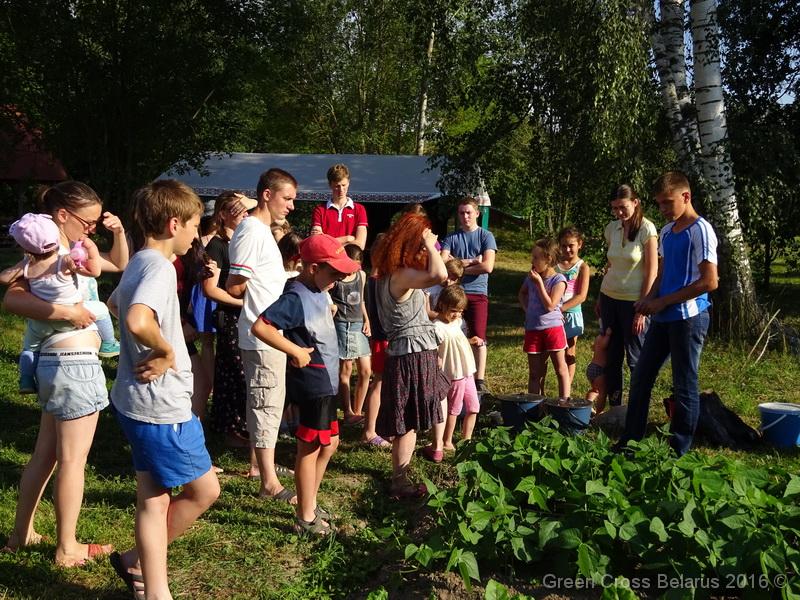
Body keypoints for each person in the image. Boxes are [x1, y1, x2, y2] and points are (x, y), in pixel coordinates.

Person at [107, 179, 220, 600]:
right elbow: (136, 318)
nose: (196, 234)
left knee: (153, 500)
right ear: (174, 224)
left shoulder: (140, 260)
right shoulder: (158, 267)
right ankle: (146, 572)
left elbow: (115, 304)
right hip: (160, 407)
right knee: (204, 490)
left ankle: (145, 576)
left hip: (135, 400)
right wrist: (166, 349)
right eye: (194, 225)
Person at [1, 182, 114, 567]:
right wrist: (71, 313)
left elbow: (115, 264)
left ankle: (21, 534)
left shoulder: (45, 254)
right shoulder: (56, 253)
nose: (91, 228)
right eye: (88, 221)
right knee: (72, 461)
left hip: (56, 365)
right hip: (74, 365)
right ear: (63, 215)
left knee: (45, 455)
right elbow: (12, 297)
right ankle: (67, 548)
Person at [252, 234, 360, 536]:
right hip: (314, 382)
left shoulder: (317, 288)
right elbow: (261, 326)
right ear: (313, 268)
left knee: (330, 443)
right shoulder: (295, 298)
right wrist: (295, 351)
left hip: (326, 382)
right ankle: (305, 516)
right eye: (334, 273)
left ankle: (309, 500)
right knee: (310, 448)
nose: (338, 280)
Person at [616, 171, 718, 456]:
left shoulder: (700, 229)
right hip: (662, 318)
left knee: (684, 383)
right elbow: (662, 273)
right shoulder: (666, 231)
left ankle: (678, 450)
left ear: (686, 196)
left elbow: (710, 281)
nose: (662, 209)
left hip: (689, 318)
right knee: (641, 377)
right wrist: (648, 299)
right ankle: (629, 442)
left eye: (667, 202)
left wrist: (663, 302)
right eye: (659, 203)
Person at [226, 168, 297, 501]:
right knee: (265, 404)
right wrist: (260, 300)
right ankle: (268, 483)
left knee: (267, 401)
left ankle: (261, 466)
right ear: (267, 195)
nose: (292, 206)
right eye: (288, 198)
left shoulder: (260, 230)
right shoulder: (252, 231)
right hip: (261, 334)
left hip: (268, 331)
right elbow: (235, 284)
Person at [372, 212, 449, 498]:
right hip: (412, 354)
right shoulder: (401, 275)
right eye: (421, 242)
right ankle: (399, 481)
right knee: (408, 421)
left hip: (407, 352)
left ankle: (400, 476)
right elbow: (440, 274)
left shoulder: (391, 273)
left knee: (408, 419)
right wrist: (429, 244)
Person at [2, 213, 103, 393]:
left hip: (41, 322)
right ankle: (110, 343)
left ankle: (26, 380)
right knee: (102, 309)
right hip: (73, 315)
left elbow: (4, 278)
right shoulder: (64, 261)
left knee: (30, 349)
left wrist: (16, 269)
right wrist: (91, 249)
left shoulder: (27, 266)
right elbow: (94, 271)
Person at [597, 184, 658, 406]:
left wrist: (643, 307)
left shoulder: (647, 229)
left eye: (623, 207)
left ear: (635, 202)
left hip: (633, 302)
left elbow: (652, 270)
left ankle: (637, 407)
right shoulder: (611, 228)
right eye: (615, 208)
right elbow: (611, 264)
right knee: (611, 356)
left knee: (636, 358)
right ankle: (615, 406)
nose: (619, 212)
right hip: (609, 297)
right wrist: (600, 297)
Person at [203, 192, 255, 448]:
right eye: (237, 209)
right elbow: (210, 289)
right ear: (223, 214)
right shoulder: (217, 245)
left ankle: (242, 426)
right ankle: (230, 429)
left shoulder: (244, 240)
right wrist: (243, 304)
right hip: (231, 316)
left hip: (247, 315)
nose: (244, 212)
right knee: (233, 373)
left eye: (245, 209)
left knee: (245, 371)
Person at [441, 197, 496, 394]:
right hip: (455, 293)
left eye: (469, 213)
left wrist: (458, 266)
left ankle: (479, 380)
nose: (465, 216)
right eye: (462, 213)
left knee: (478, 337)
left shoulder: (486, 236)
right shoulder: (451, 237)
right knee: (453, 334)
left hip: (478, 293)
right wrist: (472, 261)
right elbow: (443, 263)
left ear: (477, 214)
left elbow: (488, 266)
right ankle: (455, 374)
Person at [518, 238, 570, 400]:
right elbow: (522, 293)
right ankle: (534, 406)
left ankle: (564, 404)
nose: (532, 261)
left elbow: (550, 306)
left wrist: (540, 284)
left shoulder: (558, 280)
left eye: (536, 257)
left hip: (552, 329)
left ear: (548, 259)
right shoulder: (531, 277)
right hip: (533, 329)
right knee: (534, 373)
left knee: (560, 369)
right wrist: (528, 310)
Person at [433, 285, 482, 452]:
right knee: (454, 409)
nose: (457, 315)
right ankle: (447, 441)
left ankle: (466, 440)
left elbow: (457, 341)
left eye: (460, 311)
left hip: (467, 371)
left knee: (474, 407)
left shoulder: (457, 322)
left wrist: (470, 341)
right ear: (442, 305)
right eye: (454, 310)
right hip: (454, 373)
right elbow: (434, 349)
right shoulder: (437, 327)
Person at [330, 244, 372, 424]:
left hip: (358, 324)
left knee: (366, 370)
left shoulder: (361, 275)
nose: (354, 268)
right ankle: (347, 412)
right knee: (346, 368)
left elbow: (361, 301)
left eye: (357, 264)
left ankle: (358, 410)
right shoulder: (336, 278)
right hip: (342, 325)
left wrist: (367, 320)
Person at [361, 234, 391, 449]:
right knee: (379, 382)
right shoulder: (379, 279)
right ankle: (370, 431)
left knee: (383, 382)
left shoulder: (374, 277)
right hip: (384, 337)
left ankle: (379, 426)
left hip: (382, 336)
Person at [555, 226, 590, 383]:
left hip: (571, 314)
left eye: (571, 245)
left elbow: (581, 296)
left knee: (569, 352)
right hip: (553, 314)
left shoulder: (582, 267)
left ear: (579, 244)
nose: (567, 249)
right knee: (553, 351)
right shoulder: (554, 265)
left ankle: (566, 388)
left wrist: (561, 309)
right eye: (564, 245)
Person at [310, 163, 368, 249]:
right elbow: (318, 243)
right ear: (330, 185)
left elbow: (360, 245)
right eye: (337, 186)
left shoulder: (359, 209)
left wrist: (329, 243)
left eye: (344, 185)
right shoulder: (319, 210)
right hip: (326, 258)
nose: (341, 190)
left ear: (348, 183)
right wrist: (347, 239)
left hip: (349, 258)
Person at [585, 328, 613, 414]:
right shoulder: (605, 338)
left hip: (592, 367)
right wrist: (608, 335)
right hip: (599, 370)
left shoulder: (598, 337)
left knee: (595, 390)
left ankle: (587, 406)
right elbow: (604, 345)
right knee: (602, 393)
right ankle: (599, 413)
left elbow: (593, 347)